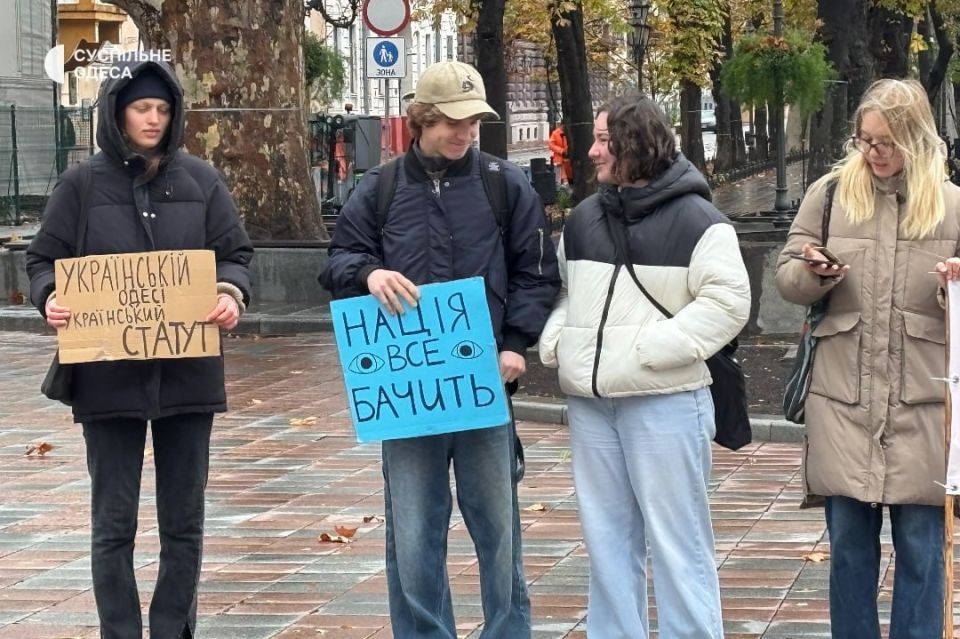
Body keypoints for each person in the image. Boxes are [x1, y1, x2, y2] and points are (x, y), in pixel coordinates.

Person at [321, 60, 560, 639]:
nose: (466, 132)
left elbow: (537, 273)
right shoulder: (377, 190)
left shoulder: (505, 185)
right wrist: (370, 274)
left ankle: (508, 632)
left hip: (484, 386)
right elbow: (336, 262)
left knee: (499, 529)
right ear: (421, 121)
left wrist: (514, 346)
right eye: (454, 121)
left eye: (475, 121)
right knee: (413, 531)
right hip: (407, 395)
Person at [26, 59, 253, 639]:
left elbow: (235, 255)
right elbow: (42, 259)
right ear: (118, 113)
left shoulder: (201, 180)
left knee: (184, 522)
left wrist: (230, 294)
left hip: (188, 374)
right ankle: (119, 631)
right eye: (141, 108)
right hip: (107, 376)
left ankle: (174, 628)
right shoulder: (81, 184)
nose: (153, 119)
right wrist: (50, 295)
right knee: (113, 520)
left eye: (162, 109)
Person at [538, 93, 750, 639]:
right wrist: (560, 340)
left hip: (666, 402)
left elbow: (728, 304)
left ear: (636, 143)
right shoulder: (585, 217)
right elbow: (565, 292)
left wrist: (653, 350)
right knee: (606, 540)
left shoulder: (701, 221)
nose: (591, 151)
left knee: (679, 544)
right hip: (592, 405)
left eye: (604, 140)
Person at [775, 78, 960, 639]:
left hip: (924, 406)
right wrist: (812, 271)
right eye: (864, 140)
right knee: (850, 554)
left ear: (916, 138)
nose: (873, 153)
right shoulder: (830, 194)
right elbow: (786, 274)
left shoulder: (951, 204)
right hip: (843, 401)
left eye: (885, 142)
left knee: (924, 554)